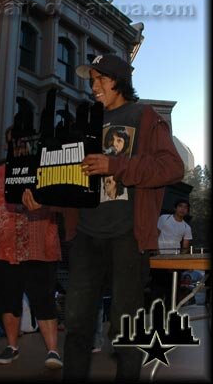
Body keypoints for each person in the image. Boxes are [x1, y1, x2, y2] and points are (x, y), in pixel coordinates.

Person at [61, 54, 184, 381]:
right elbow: (68, 175)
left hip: (127, 235)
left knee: (124, 325)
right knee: (75, 323)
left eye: (101, 79)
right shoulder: (87, 119)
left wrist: (116, 166)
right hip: (86, 233)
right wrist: (42, 196)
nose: (94, 86)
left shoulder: (144, 116)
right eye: (92, 80)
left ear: (120, 81)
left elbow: (172, 168)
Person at [0, 125, 63, 369]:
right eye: (14, 141)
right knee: (7, 301)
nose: (19, 145)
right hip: (5, 250)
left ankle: (53, 351)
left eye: (24, 141)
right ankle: (12, 346)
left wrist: (45, 202)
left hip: (40, 249)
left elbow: (65, 206)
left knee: (44, 301)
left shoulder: (49, 170)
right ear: (8, 144)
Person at [152, 199, 193, 309]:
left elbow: (185, 248)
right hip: (159, 259)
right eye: (180, 206)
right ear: (175, 208)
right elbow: (155, 235)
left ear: (187, 211)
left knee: (172, 291)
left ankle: (170, 316)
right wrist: (157, 253)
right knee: (157, 290)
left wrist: (179, 261)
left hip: (174, 262)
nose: (182, 209)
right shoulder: (164, 218)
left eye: (185, 207)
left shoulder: (186, 227)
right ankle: (155, 315)